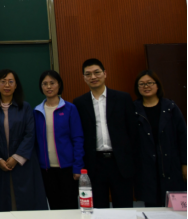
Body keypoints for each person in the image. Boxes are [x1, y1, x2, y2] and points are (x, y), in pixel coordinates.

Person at [73, 58, 137, 208]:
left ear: (105, 73)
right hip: (94, 164)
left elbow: (133, 132)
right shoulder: (79, 103)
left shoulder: (123, 98)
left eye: (97, 72)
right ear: (84, 78)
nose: (93, 77)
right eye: (88, 74)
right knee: (98, 210)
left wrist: (133, 161)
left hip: (120, 163)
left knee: (124, 209)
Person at [0, 69, 47, 212]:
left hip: (23, 162)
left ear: (16, 86)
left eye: (10, 81)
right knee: (2, 201)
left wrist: (16, 157)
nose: (7, 85)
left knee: (25, 200)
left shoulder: (25, 107)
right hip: (0, 163)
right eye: (3, 82)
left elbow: (30, 134)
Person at [133, 70, 187, 207]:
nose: (146, 86)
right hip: (146, 167)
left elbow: (183, 136)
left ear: (157, 85)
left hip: (171, 166)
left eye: (150, 83)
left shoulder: (170, 107)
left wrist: (185, 164)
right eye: (142, 84)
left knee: (176, 209)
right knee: (152, 208)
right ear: (137, 88)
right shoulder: (134, 110)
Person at [33, 70, 84, 210]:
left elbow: (78, 139)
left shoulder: (70, 109)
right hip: (46, 170)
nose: (49, 87)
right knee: (54, 207)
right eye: (45, 84)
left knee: (70, 207)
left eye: (52, 83)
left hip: (68, 168)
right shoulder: (37, 111)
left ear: (59, 85)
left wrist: (78, 166)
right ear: (41, 87)